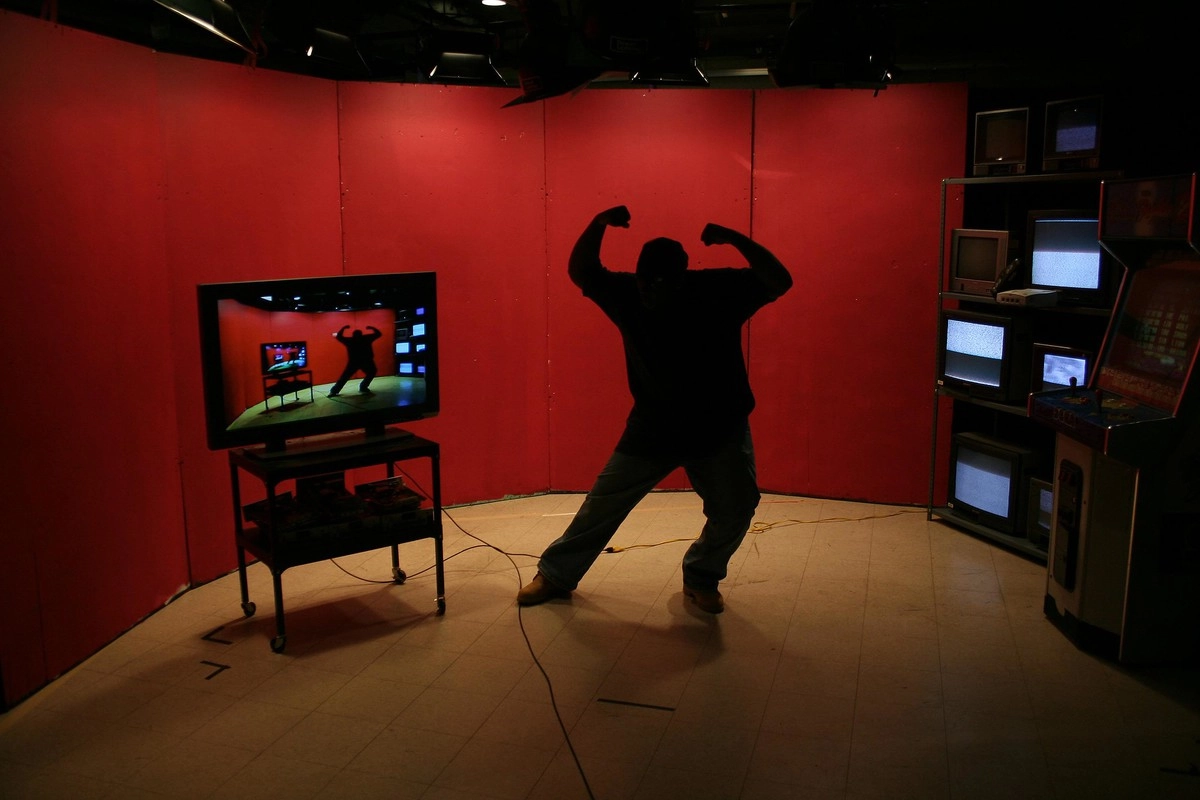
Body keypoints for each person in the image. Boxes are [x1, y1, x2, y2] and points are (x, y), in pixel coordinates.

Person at [517, 205, 792, 613]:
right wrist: (596, 224)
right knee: (603, 505)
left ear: (682, 279)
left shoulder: (717, 291)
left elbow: (780, 280)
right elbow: (583, 271)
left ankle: (701, 576)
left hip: (719, 425)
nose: (648, 293)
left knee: (735, 509)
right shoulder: (630, 293)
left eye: (658, 285)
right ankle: (556, 575)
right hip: (655, 425)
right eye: (644, 283)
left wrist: (736, 239)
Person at [329, 324, 382, 396]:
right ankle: (363, 387)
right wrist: (371, 327)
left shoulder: (350, 340)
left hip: (354, 362)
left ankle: (334, 391)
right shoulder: (366, 338)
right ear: (361, 334)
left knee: (345, 377)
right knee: (372, 372)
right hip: (366, 360)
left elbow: (339, 337)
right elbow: (378, 334)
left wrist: (343, 328)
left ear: (353, 335)